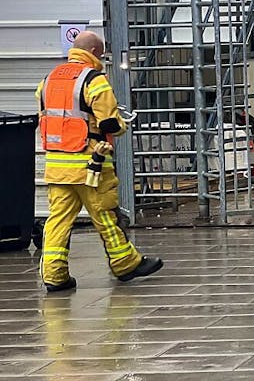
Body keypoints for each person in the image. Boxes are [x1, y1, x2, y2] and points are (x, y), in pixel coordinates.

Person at [37, 31, 162, 292]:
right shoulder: (94, 80)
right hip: (90, 164)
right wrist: (122, 125)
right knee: (106, 215)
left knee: (58, 221)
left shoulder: (48, 80)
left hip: (57, 166)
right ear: (94, 52)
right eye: (102, 54)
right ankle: (125, 264)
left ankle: (54, 276)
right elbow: (109, 124)